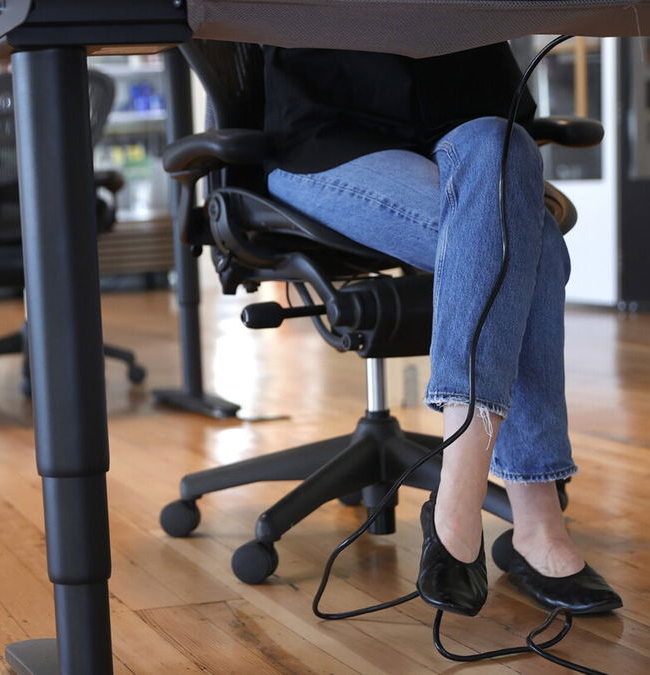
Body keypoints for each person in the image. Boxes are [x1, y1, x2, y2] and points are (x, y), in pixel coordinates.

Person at [262, 44, 621, 616]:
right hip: (329, 144)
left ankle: (462, 489)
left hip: (459, 138)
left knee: (500, 141)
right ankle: (528, 520)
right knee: (535, 244)